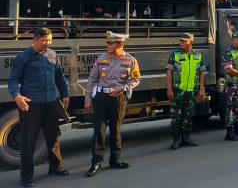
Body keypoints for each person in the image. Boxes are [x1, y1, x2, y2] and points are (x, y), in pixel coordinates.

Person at [9, 27, 70, 187]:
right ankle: (26, 178)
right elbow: (13, 80)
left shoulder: (52, 54)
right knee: (29, 142)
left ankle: (55, 167)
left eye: (49, 40)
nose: (47, 43)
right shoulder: (23, 58)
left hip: (50, 102)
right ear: (35, 40)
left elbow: (59, 76)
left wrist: (65, 93)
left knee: (54, 136)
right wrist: (17, 95)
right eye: (44, 41)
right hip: (31, 105)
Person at [85, 31, 141, 177]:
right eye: (107, 42)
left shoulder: (131, 60)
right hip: (101, 97)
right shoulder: (101, 59)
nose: (107, 45)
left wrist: (122, 88)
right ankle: (96, 161)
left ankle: (115, 159)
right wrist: (88, 98)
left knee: (116, 129)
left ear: (120, 44)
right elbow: (92, 79)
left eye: (110, 43)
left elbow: (136, 80)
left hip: (118, 98)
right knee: (99, 130)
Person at [166, 33, 206, 150]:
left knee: (189, 114)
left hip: (192, 91)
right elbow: (169, 72)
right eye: (181, 41)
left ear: (191, 42)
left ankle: (186, 138)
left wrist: (202, 88)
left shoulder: (198, 56)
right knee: (176, 116)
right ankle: (176, 139)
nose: (182, 43)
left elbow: (202, 72)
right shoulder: (175, 55)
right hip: (178, 90)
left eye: (184, 41)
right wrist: (169, 89)